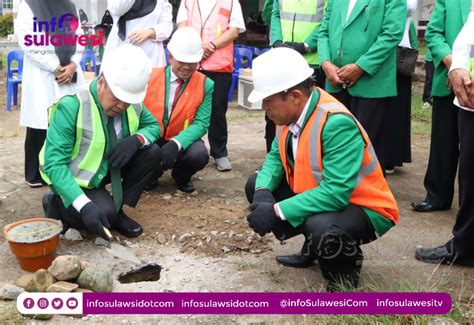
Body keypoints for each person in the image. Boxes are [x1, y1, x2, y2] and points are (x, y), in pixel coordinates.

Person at [244, 48, 399, 291]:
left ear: (295, 96)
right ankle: (313, 248)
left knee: (323, 228)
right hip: (327, 196)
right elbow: (276, 155)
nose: (264, 106)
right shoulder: (287, 115)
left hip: (365, 206)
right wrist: (263, 191)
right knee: (255, 185)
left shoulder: (335, 123)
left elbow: (336, 192)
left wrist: (276, 211)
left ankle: (344, 275)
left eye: (268, 100)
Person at [40, 45, 162, 240]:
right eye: (117, 99)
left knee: (153, 152)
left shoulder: (131, 102)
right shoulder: (72, 106)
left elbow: (154, 127)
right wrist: (83, 204)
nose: (122, 106)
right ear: (102, 83)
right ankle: (56, 203)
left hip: (106, 168)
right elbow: (54, 164)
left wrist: (136, 140)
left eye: (127, 101)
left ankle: (118, 209)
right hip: (77, 179)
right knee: (101, 214)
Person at [318, 0, 406, 172]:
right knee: (334, 144)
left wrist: (361, 66)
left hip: (371, 85)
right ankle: (336, 193)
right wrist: (326, 62)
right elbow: (323, 31)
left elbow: (392, 33)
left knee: (367, 149)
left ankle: (368, 196)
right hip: (336, 81)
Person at [415, 11, 474, 266]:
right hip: (470, 94)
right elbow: (469, 33)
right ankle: (466, 245)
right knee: (470, 174)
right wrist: (458, 66)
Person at [16, 0, 86, 188]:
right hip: (43, 74)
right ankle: (35, 174)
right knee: (40, 125)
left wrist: (72, 64)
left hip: (68, 73)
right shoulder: (29, 5)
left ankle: (63, 170)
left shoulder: (69, 6)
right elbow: (27, 40)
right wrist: (54, 66)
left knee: (68, 121)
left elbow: (80, 38)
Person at [411, 0, 470, 213]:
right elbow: (434, 34)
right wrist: (453, 64)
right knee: (443, 142)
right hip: (447, 78)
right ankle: (437, 196)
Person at [177, 0, 246, 172]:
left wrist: (212, 45)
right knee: (186, 109)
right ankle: (185, 147)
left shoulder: (231, 2)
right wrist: (196, 45)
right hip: (192, 62)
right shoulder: (188, 1)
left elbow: (234, 30)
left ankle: (220, 152)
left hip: (219, 64)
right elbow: (182, 26)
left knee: (217, 110)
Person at [143, 27, 213, 193]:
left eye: (192, 62)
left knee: (199, 155)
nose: (187, 67)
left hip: (182, 138)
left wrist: (176, 143)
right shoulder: (149, 77)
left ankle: (181, 175)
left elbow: (201, 123)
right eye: (182, 61)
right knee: (145, 152)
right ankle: (151, 174)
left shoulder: (206, 84)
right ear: (170, 56)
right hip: (153, 137)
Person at [264, 0, 327, 153]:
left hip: (311, 62)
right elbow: (275, 14)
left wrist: (306, 45)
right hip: (282, 59)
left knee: (308, 115)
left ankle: (305, 159)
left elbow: (328, 21)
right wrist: (277, 41)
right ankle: (275, 160)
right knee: (275, 113)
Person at [385, 0, 418, 174]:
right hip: (378, 48)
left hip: (398, 50)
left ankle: (392, 156)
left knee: (396, 106)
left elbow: (409, 7)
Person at [103, 0, 173, 68]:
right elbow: (117, 9)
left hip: (151, 56)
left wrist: (150, 32)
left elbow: (167, 25)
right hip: (121, 54)